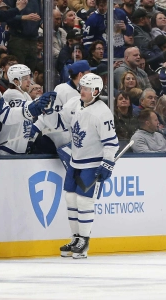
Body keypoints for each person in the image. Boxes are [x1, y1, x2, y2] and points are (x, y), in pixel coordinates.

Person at [44, 73, 119, 259]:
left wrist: (107, 163)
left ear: (96, 91)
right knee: (70, 198)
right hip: (75, 161)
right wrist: (48, 110)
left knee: (85, 201)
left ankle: (84, 241)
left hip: (92, 163)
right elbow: (57, 123)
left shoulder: (102, 113)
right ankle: (75, 238)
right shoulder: (74, 104)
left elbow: (111, 143)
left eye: (86, 88)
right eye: (82, 87)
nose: (82, 91)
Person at [32, 60, 95, 154]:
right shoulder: (62, 90)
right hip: (55, 143)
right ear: (81, 75)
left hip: (73, 144)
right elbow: (51, 115)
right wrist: (36, 128)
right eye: (88, 73)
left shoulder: (87, 92)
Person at [0, 64, 50, 155]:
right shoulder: (11, 94)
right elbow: (25, 108)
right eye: (25, 79)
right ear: (16, 81)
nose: (29, 82)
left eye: (29, 78)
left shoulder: (25, 95)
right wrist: (41, 102)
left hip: (18, 149)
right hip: (5, 149)